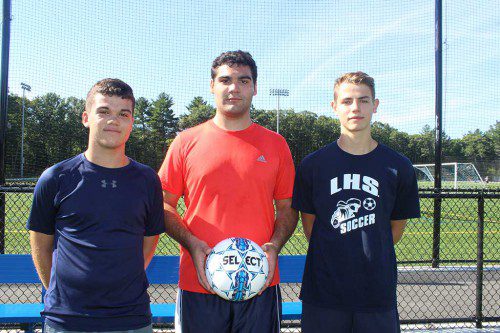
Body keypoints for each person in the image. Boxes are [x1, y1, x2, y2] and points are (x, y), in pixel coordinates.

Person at [159, 50, 298, 333]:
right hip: (199, 284)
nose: (234, 88)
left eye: (243, 81)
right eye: (225, 80)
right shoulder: (186, 142)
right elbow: (163, 204)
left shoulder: (276, 145)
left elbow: (287, 208)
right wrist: (192, 243)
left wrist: (274, 245)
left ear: (255, 88)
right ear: (212, 86)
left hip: (260, 284)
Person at [27, 79, 165, 333]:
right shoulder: (55, 178)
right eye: (103, 111)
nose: (114, 120)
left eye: (124, 114)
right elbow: (40, 247)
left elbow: (148, 243)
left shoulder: (147, 180)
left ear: (132, 122)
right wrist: (64, 295)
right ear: (86, 118)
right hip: (67, 320)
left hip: (131, 318)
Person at [292, 72, 420, 333]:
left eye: (363, 100)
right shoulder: (313, 165)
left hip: (376, 293)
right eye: (347, 101)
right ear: (334, 107)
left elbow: (394, 231)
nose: (355, 108)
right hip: (324, 293)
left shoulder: (399, 166)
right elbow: (310, 229)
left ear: (375, 105)